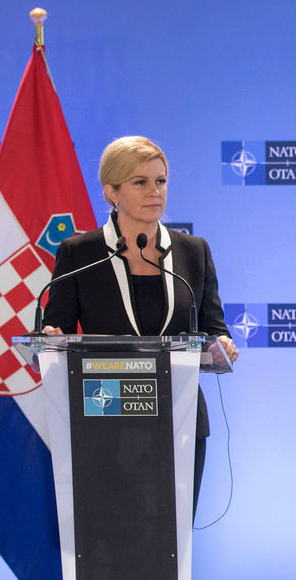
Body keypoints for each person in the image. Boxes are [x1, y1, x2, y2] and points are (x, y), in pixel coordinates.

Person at [42, 135, 239, 511]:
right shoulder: (79, 253)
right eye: (140, 182)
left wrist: (222, 344)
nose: (155, 192)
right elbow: (57, 330)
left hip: (179, 419)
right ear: (111, 192)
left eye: (161, 181)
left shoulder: (193, 252)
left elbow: (214, 325)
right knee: (108, 543)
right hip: (104, 420)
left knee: (171, 545)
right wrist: (53, 339)